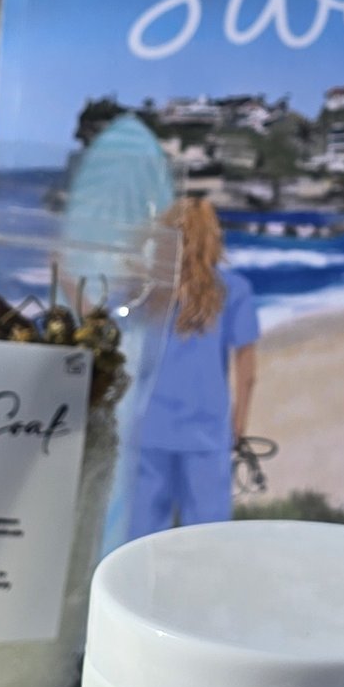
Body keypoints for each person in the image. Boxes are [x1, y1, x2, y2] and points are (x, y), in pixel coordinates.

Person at [128, 196, 261, 535]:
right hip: (207, 428)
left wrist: (144, 236)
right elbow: (245, 365)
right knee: (208, 539)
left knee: (140, 538)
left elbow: (109, 301)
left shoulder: (151, 290)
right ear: (212, 237)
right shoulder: (234, 289)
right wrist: (240, 421)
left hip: (150, 424)